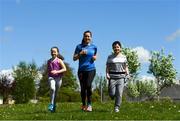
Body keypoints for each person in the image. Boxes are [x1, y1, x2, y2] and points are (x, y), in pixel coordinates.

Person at [73, 30, 97, 112]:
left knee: (88, 85)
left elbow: (95, 55)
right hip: (81, 70)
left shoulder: (94, 47)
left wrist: (95, 58)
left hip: (91, 69)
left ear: (91, 37)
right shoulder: (79, 47)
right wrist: (80, 53)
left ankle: (89, 104)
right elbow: (74, 58)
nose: (87, 37)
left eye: (88, 36)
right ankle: (83, 104)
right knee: (83, 88)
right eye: (85, 36)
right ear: (83, 37)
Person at [106, 41, 129, 113]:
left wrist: (127, 73)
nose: (116, 48)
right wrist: (107, 73)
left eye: (118, 47)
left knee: (119, 93)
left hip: (121, 77)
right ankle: (114, 97)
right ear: (113, 48)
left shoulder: (124, 57)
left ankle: (117, 107)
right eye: (115, 47)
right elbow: (107, 67)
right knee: (112, 94)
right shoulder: (110, 57)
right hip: (112, 77)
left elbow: (126, 67)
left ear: (120, 48)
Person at [47, 46, 66, 112]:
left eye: (54, 52)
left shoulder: (59, 60)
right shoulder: (48, 61)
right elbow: (48, 70)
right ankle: (51, 104)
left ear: (57, 53)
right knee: (52, 89)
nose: (53, 53)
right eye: (52, 52)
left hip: (58, 78)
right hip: (51, 78)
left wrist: (57, 71)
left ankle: (54, 106)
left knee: (56, 93)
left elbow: (64, 69)